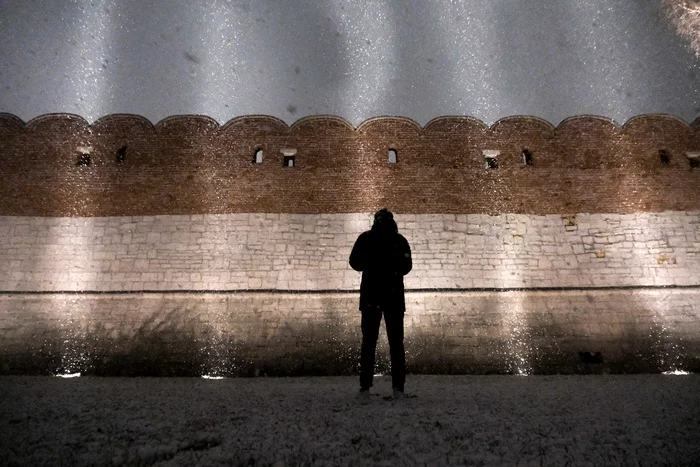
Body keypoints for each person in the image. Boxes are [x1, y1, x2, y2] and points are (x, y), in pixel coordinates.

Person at [349, 208, 412, 400]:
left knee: (368, 343)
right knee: (396, 344)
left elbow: (354, 262)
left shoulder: (366, 238)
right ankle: (398, 388)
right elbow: (406, 267)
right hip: (393, 297)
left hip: (371, 296)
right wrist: (392, 270)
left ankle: (365, 386)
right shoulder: (399, 240)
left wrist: (371, 266)